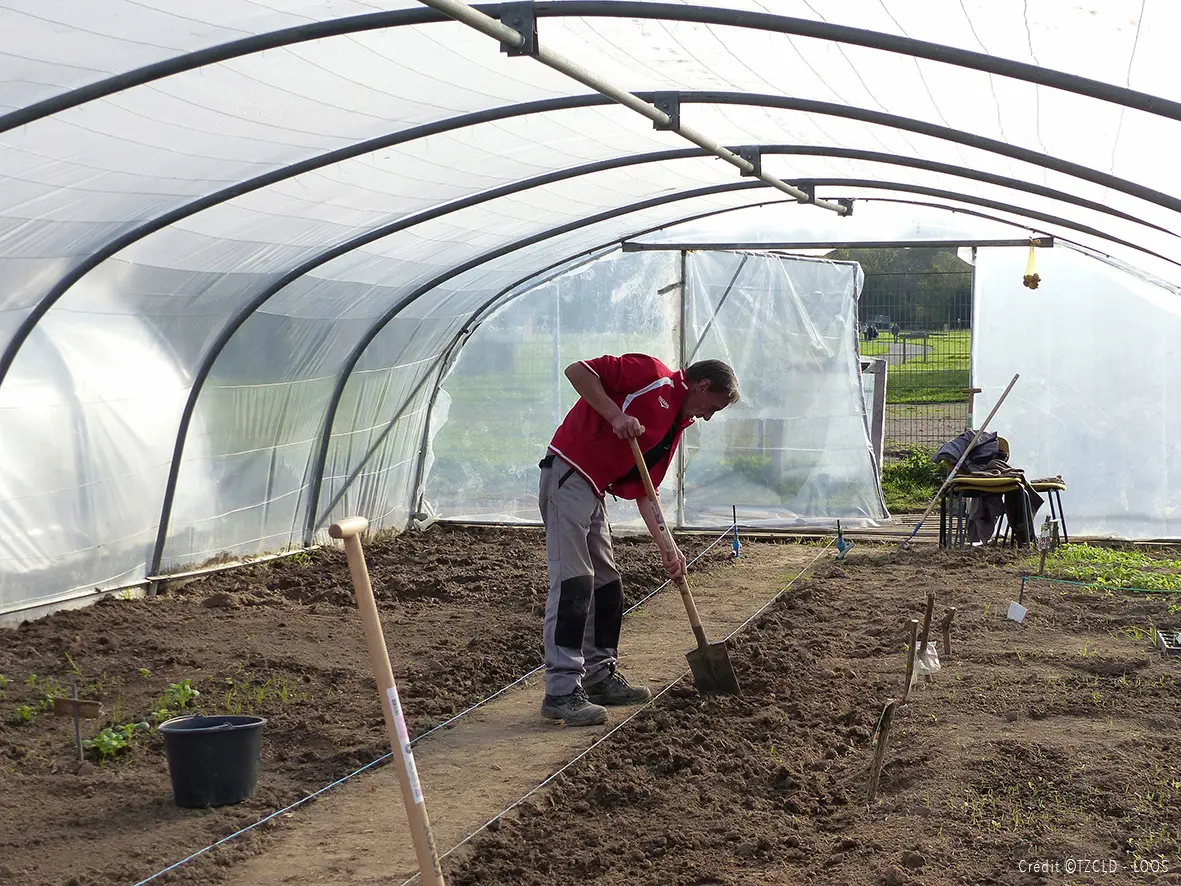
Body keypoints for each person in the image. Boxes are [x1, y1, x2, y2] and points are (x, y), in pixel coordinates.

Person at [537, 354, 740, 726]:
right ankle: (562, 690)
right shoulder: (651, 374)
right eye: (713, 407)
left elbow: (647, 493)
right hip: (569, 474)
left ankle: (599, 677)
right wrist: (616, 415)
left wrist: (670, 550)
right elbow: (577, 371)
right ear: (702, 386)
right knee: (573, 582)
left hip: (593, 490)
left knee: (607, 585)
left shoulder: (674, 427)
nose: (708, 417)